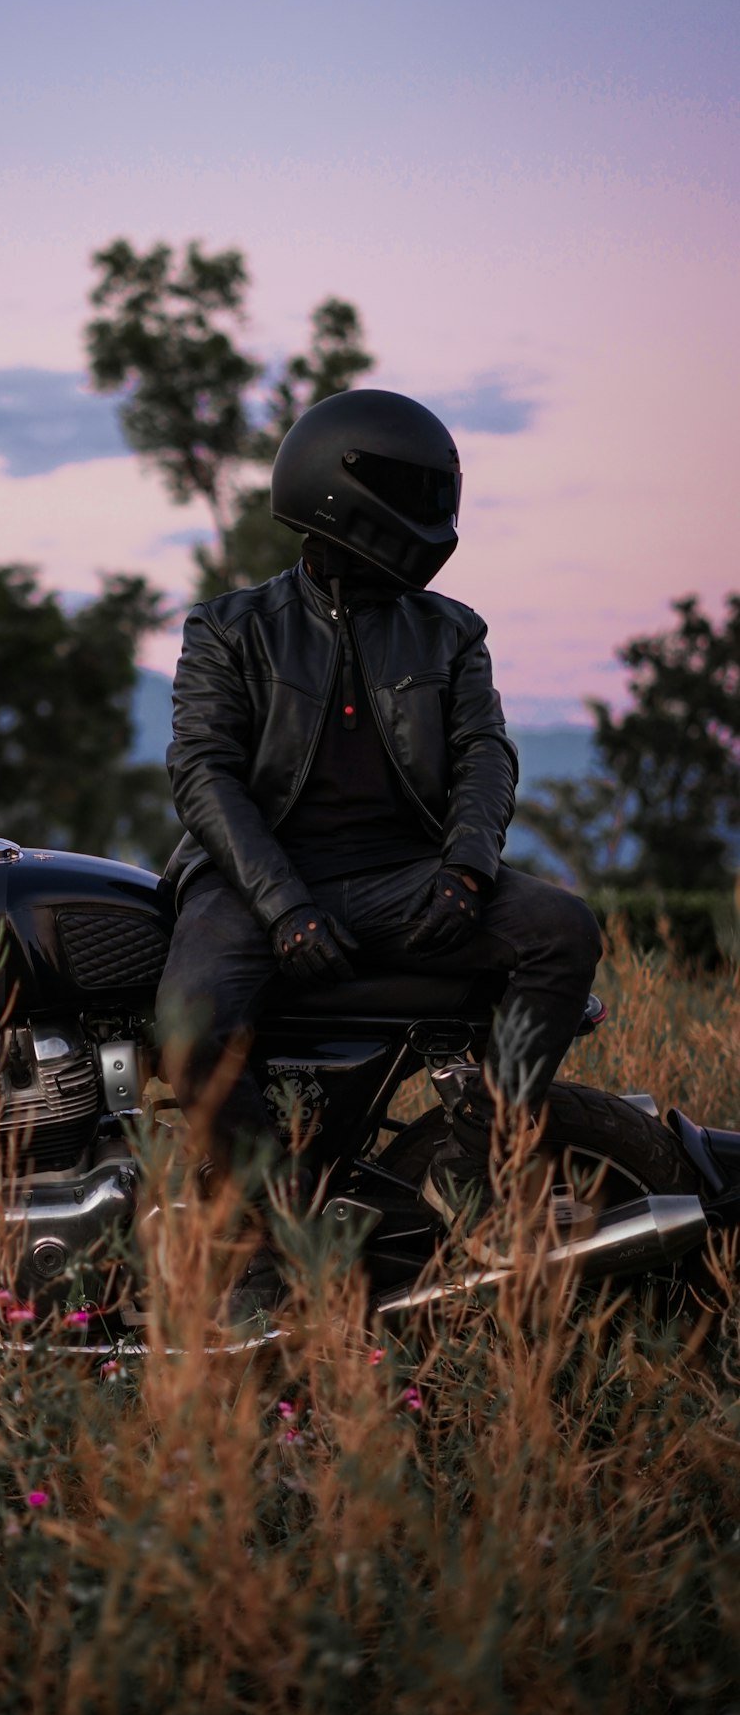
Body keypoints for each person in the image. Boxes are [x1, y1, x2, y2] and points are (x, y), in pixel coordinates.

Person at [155, 389, 603, 1249]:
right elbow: (203, 774)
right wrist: (283, 904)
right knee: (189, 1024)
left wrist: (468, 867)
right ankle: (274, 1232)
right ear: (340, 495)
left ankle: (478, 1156)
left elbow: (486, 755)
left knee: (562, 930)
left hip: (406, 876)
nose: (434, 518)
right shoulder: (229, 629)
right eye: (415, 493)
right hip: (254, 885)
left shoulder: (451, 633)